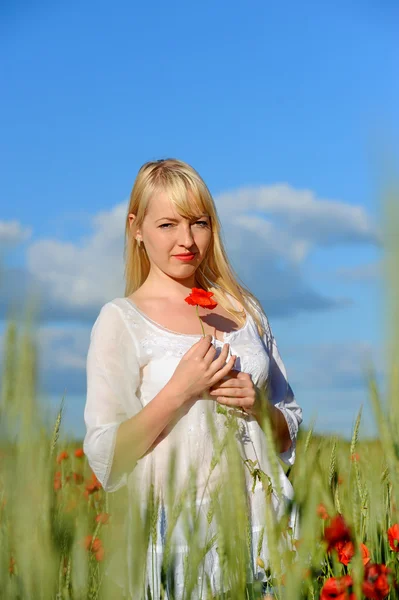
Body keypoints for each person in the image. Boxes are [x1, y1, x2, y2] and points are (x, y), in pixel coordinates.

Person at [83, 158, 303, 599]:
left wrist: (259, 408)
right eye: (168, 224)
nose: (186, 241)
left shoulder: (246, 309)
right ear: (136, 228)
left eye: (198, 223)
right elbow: (106, 459)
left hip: (265, 530)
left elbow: (291, 429)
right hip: (180, 538)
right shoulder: (121, 321)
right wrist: (179, 390)